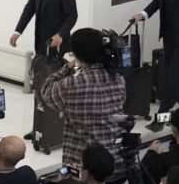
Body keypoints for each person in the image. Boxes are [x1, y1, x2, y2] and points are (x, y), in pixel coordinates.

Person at [42, 26, 128, 156]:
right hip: (113, 158)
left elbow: (46, 91)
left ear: (76, 55)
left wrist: (67, 67)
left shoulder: (71, 85)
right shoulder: (119, 80)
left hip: (83, 167)